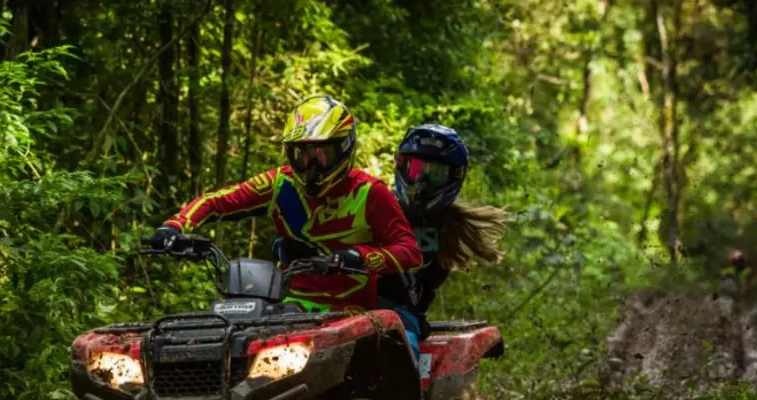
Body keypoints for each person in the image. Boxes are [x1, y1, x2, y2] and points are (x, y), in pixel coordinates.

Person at [148, 95, 423, 314]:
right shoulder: (279, 183)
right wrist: (174, 227)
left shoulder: (369, 192)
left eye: (321, 154)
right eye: (301, 154)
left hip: (350, 312)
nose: (311, 166)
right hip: (287, 305)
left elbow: (410, 252)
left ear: (344, 148)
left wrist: (361, 257)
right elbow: (215, 202)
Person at [376, 123, 508, 359]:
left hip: (401, 325)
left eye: (434, 174)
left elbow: (424, 290)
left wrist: (413, 315)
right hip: (354, 311)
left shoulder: (448, 227)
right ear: (401, 165)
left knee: (402, 364)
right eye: (417, 170)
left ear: (454, 177)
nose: (422, 181)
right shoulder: (376, 208)